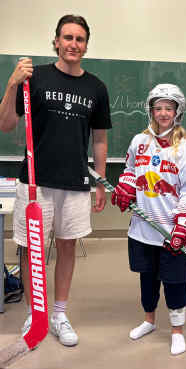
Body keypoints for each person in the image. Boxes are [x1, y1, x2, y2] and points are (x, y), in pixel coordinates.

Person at [0, 14, 112, 346]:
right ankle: (37, 314)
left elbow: (101, 138)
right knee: (30, 248)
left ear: (86, 45)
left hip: (76, 182)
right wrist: (11, 84)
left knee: (66, 248)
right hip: (35, 181)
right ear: (56, 42)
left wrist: (101, 181)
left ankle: (59, 314)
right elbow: (5, 124)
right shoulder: (33, 79)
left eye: (79, 39)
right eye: (67, 37)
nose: (73, 44)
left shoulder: (96, 88)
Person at [111, 84, 186, 355]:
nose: (163, 113)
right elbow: (130, 169)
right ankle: (149, 321)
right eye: (158, 107)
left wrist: (183, 224)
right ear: (151, 110)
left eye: (169, 108)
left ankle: (177, 331)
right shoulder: (139, 142)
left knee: (175, 282)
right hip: (143, 230)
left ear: (177, 112)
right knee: (148, 278)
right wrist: (126, 186)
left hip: (171, 231)